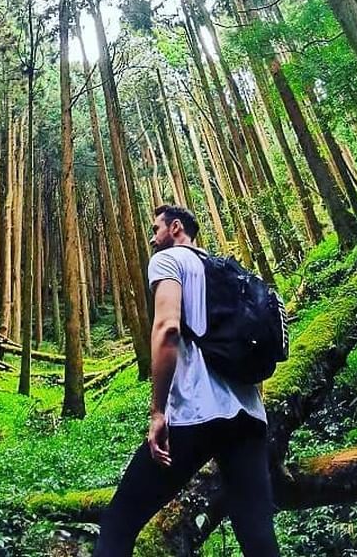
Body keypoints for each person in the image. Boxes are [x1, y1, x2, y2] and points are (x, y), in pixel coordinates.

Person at [94, 205, 280, 555]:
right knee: (258, 536)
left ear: (176, 227)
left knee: (120, 521)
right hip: (249, 415)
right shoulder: (229, 271)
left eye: (155, 229)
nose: (152, 238)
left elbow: (167, 330)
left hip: (195, 413)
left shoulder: (169, 261)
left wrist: (158, 412)